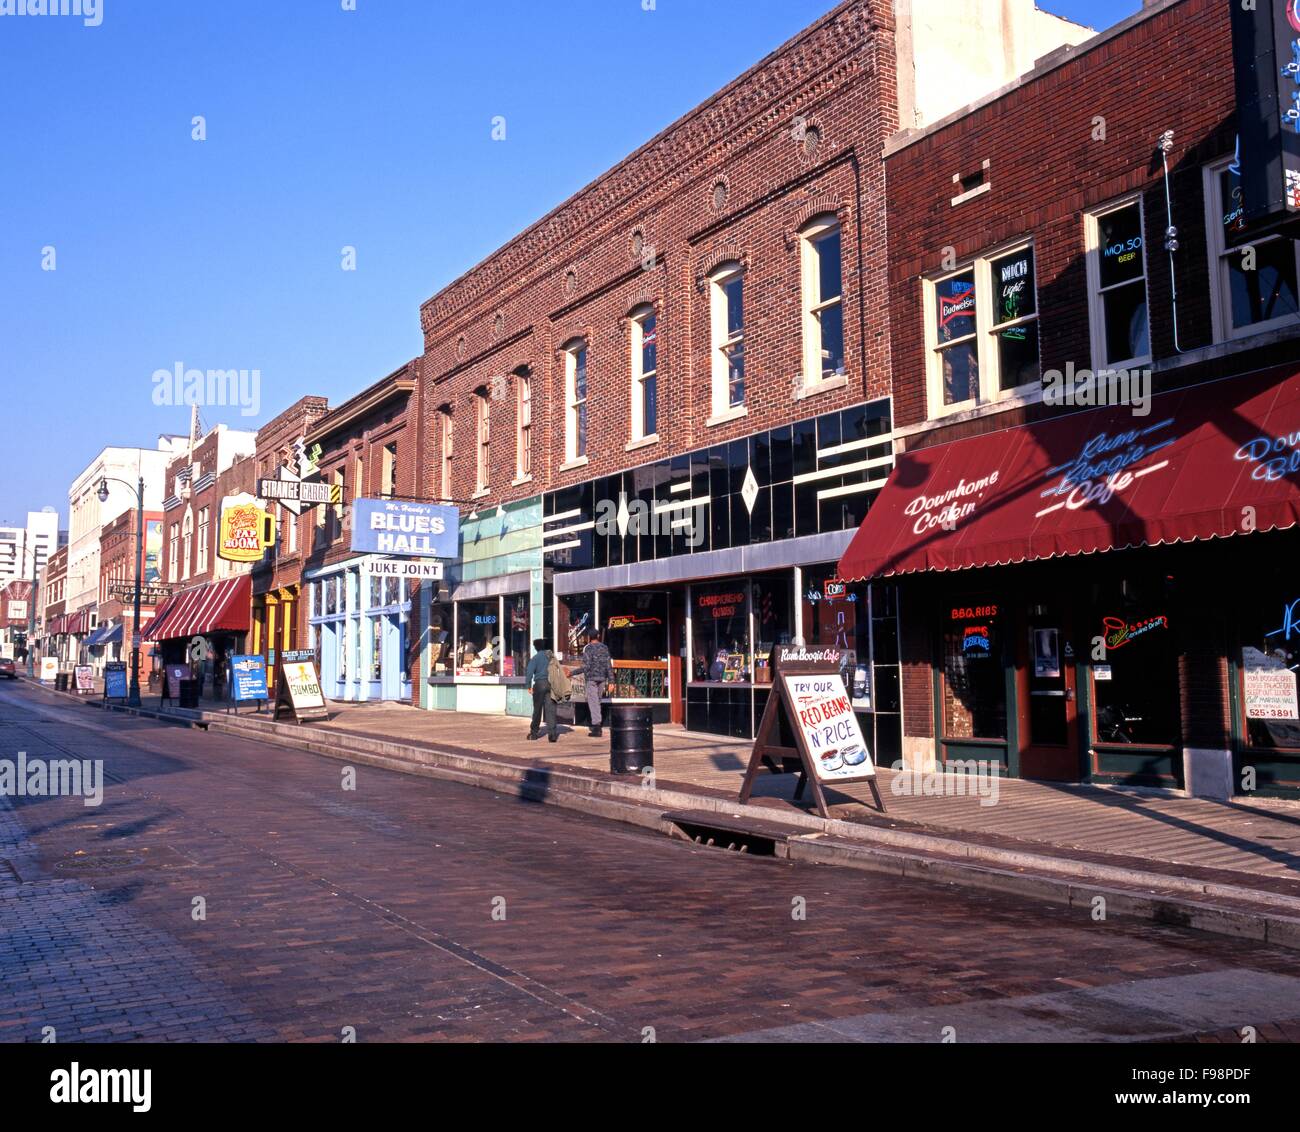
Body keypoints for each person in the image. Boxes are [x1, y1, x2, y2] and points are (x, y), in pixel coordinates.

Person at [576, 629, 614, 738]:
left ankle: (597, 728)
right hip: (602, 678)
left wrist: (573, 673)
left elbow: (586, 666)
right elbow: (608, 665)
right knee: (597, 701)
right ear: (598, 636)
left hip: (591, 679)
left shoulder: (588, 648)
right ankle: (598, 723)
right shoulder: (604, 648)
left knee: (593, 703)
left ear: (589, 637)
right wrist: (611, 681)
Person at [524, 637, 558, 743]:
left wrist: (528, 685)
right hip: (551, 684)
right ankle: (552, 734)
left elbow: (529, 672)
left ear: (536, 647)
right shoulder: (551, 657)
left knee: (537, 709)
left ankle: (534, 733)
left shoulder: (535, 658)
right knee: (550, 709)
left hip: (539, 684)